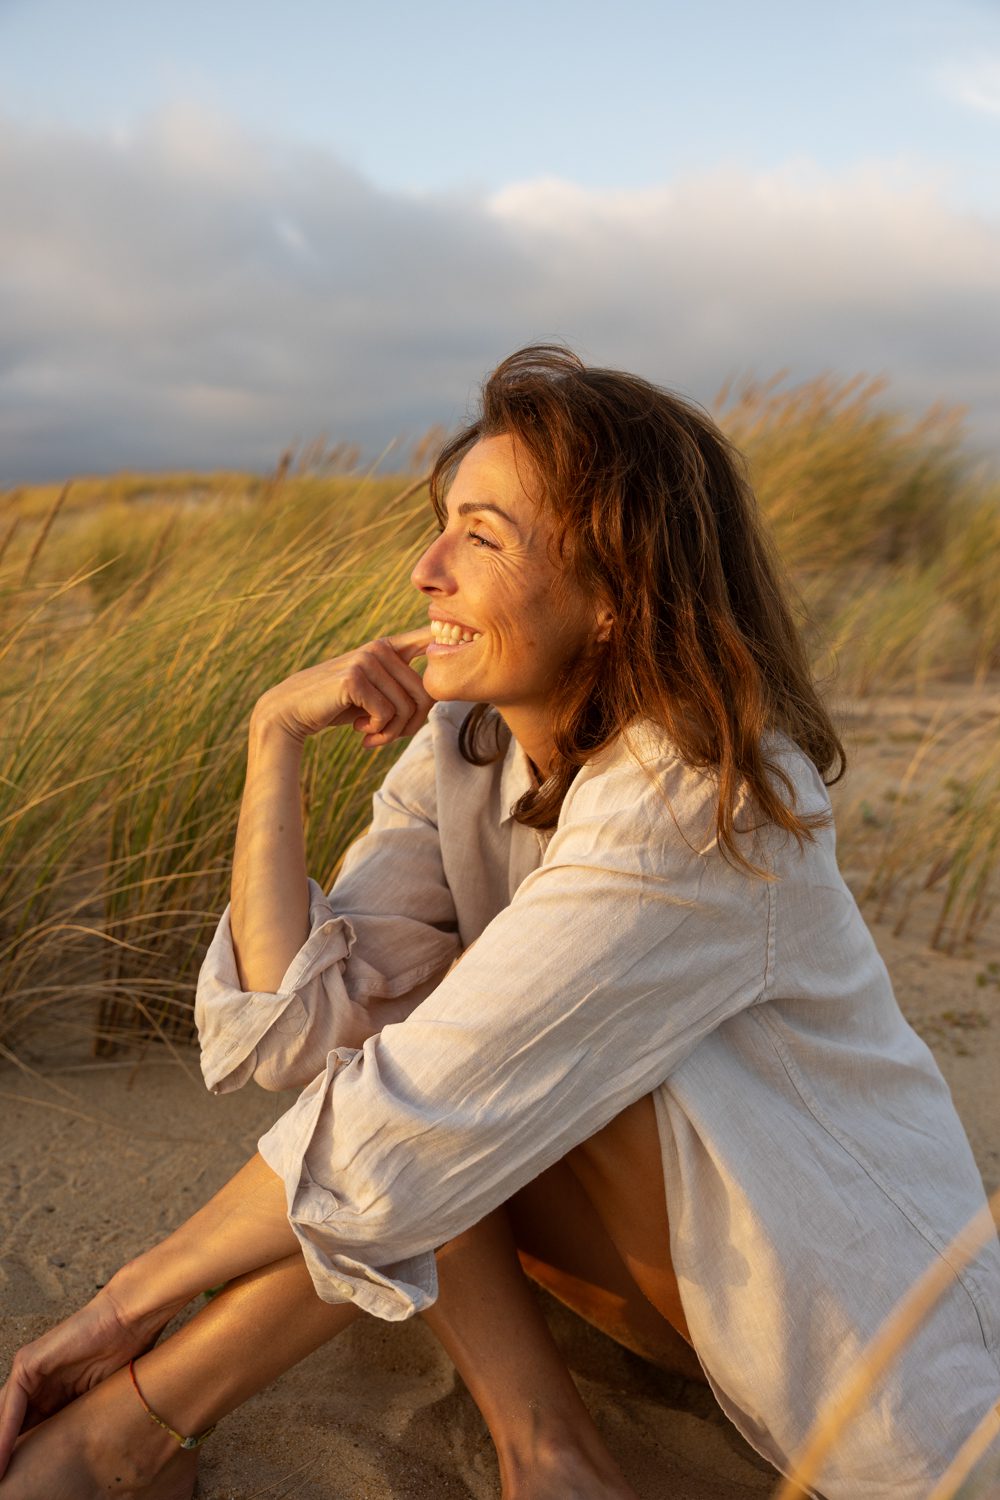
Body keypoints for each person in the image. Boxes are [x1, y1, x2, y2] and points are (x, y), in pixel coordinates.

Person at [1, 344, 998, 1500]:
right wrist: (271, 736)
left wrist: (120, 1313)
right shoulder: (466, 748)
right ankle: (548, 1451)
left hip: (836, 1305)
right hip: (649, 1268)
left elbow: (411, 1115)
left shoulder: (701, 797)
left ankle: (130, 1435)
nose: (427, 569)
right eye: (441, 525)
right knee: (408, 1035)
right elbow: (296, 1033)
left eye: (483, 535)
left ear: (618, 592)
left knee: (434, 1077)